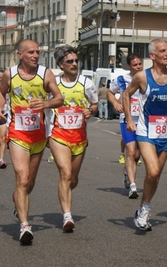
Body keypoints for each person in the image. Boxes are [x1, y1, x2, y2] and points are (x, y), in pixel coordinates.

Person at [0, 39, 63, 244]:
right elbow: (0, 93)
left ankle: (18, 202)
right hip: (17, 134)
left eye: (37, 52)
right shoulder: (10, 74)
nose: (35, 55)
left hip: (38, 136)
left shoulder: (45, 73)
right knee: (22, 178)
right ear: (20, 55)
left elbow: (59, 98)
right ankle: (24, 226)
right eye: (31, 52)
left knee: (29, 183)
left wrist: (46, 103)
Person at [123, 38, 167, 231]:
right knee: (152, 171)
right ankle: (145, 210)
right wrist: (129, 119)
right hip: (145, 133)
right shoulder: (143, 77)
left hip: (165, 133)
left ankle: (142, 208)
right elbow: (126, 94)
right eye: (162, 51)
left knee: (155, 176)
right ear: (152, 56)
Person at [49, 45, 97, 231]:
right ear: (61, 64)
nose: (74, 64)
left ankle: (65, 191)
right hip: (58, 135)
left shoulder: (86, 83)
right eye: (70, 61)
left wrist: (89, 111)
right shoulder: (54, 84)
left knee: (73, 179)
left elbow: (94, 104)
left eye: (76, 61)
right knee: (66, 174)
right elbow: (46, 104)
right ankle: (67, 216)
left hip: (79, 137)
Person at [108, 53, 143, 199]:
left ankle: (126, 172)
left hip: (143, 121)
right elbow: (110, 92)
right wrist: (116, 103)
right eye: (135, 65)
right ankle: (133, 186)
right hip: (126, 119)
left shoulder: (147, 78)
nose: (138, 67)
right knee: (130, 150)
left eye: (140, 64)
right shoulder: (121, 79)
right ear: (129, 66)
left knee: (136, 155)